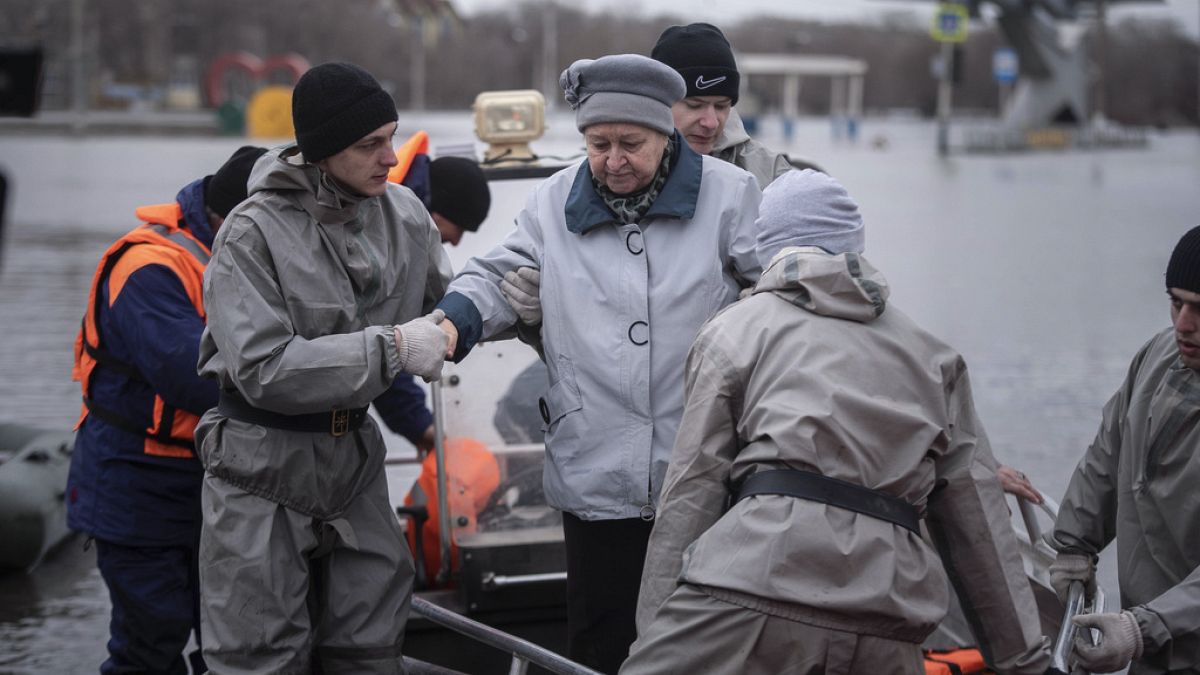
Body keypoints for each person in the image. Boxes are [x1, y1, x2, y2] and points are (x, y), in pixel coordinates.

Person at [623, 169, 1051, 675]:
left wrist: (657, 630)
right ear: (856, 246)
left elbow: (692, 493)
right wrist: (1024, 661)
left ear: (767, 247)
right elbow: (976, 521)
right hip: (889, 611)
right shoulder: (934, 357)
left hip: (752, 584)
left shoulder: (734, 332)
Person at [433, 53, 761, 673]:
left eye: (630, 143)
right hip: (596, 480)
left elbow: (779, 289)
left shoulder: (730, 197)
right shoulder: (554, 200)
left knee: (707, 649)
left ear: (666, 135)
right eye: (597, 143)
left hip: (702, 477)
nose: (613, 160)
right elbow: (493, 276)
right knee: (603, 648)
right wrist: (448, 324)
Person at [193, 61, 453, 674]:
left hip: (354, 461)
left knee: (370, 644)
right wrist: (392, 348)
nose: (390, 157)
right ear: (322, 150)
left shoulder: (406, 214)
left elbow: (452, 305)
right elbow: (264, 367)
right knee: (258, 655)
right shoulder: (250, 235)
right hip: (260, 465)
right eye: (371, 144)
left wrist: (514, 299)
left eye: (391, 136)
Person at [67, 144, 266, 675]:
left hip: (213, 482)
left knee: (231, 643)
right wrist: (304, 381)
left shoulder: (247, 261)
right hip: (136, 484)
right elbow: (191, 375)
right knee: (149, 644)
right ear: (243, 218)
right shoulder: (148, 266)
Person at [1048, 224, 1200, 674]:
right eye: (1176, 302)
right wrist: (1074, 543)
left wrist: (1142, 627)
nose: (1184, 324)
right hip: (1152, 646)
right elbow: (1109, 453)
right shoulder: (1156, 357)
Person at [376, 147, 492, 451]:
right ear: (436, 216)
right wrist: (423, 427)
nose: (456, 241)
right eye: (460, 228)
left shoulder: (389, 210)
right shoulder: (390, 230)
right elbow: (385, 340)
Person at [650, 22, 794, 188]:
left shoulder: (771, 175)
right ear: (659, 102)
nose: (711, 123)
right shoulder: (620, 165)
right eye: (694, 105)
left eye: (721, 106)